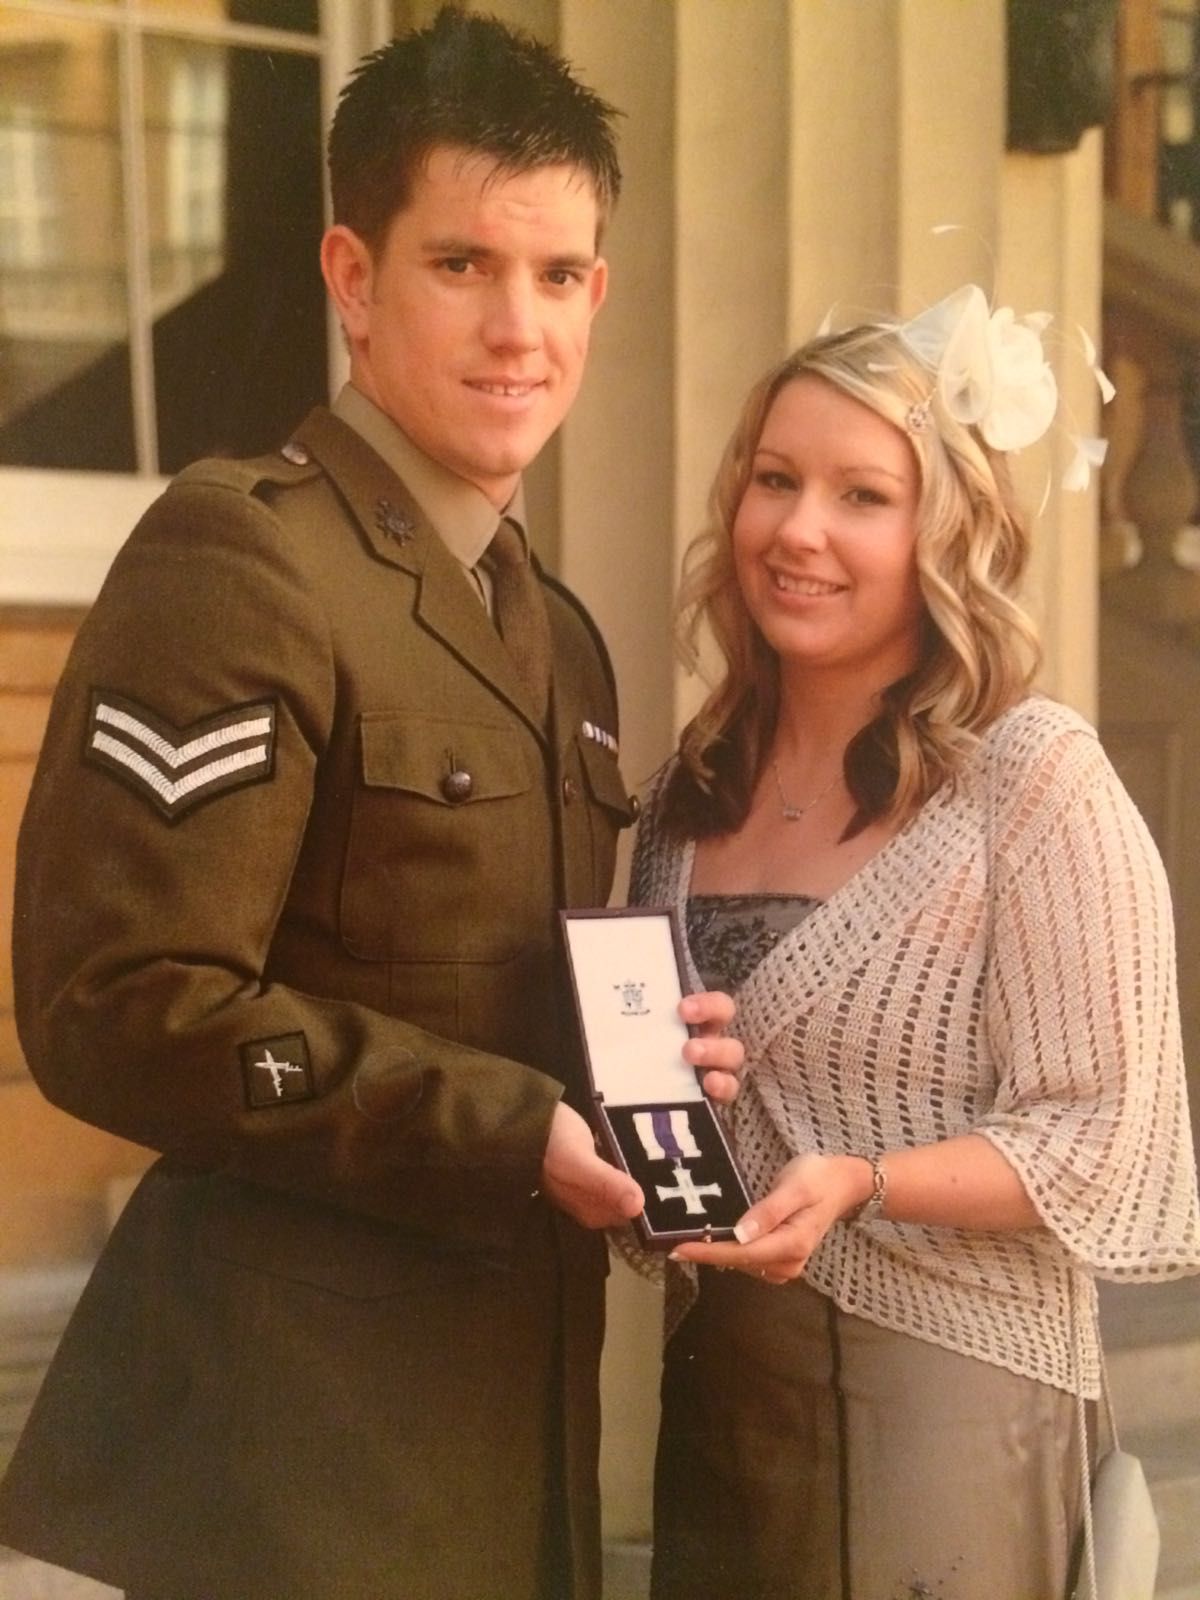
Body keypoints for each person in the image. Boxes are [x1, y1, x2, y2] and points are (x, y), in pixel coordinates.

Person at [0, 11, 742, 1600]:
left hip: (503, 1451)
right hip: (280, 1470)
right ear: (352, 277)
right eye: (460, 265)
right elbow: (117, 1004)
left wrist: (638, 1077)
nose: (518, 327)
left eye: (558, 277)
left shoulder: (557, 630)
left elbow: (488, 984)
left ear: (599, 294)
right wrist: (500, 1123)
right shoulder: (243, 555)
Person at [627, 289, 1200, 1600]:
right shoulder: (685, 792)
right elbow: (676, 1120)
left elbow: (1109, 1140)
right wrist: (656, 1109)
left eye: (861, 496)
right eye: (776, 480)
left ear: (945, 528)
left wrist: (862, 1180)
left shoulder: (1032, 780)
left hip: (952, 1401)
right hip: (724, 1393)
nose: (800, 531)